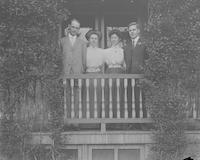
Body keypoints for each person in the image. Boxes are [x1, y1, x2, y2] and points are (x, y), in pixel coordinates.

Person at [59, 18, 87, 118]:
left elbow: (84, 60)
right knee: (66, 97)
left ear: (79, 30)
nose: (74, 29)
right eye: (73, 27)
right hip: (65, 73)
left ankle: (75, 123)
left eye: (77, 28)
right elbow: (60, 57)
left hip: (77, 73)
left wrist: (81, 71)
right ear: (69, 27)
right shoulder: (62, 41)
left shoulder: (82, 43)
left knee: (77, 98)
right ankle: (67, 121)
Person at [124, 22, 148, 118]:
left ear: (138, 30)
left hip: (141, 76)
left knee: (142, 99)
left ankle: (143, 123)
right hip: (130, 77)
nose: (132, 32)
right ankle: (131, 121)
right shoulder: (127, 45)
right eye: (130, 30)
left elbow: (148, 59)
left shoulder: (144, 43)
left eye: (134, 30)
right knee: (130, 99)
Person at [104, 29, 125, 118]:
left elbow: (124, 64)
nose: (113, 39)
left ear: (119, 39)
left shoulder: (122, 51)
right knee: (108, 96)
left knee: (119, 96)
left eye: (115, 37)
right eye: (112, 37)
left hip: (119, 72)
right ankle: (109, 121)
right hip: (109, 72)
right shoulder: (106, 51)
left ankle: (119, 121)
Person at [84, 30, 105, 118]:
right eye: (92, 38)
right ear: (88, 40)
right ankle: (88, 121)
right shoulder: (85, 51)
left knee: (99, 97)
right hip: (88, 74)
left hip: (98, 74)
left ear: (98, 40)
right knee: (88, 97)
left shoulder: (102, 51)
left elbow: (103, 63)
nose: (93, 40)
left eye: (96, 38)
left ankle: (99, 120)